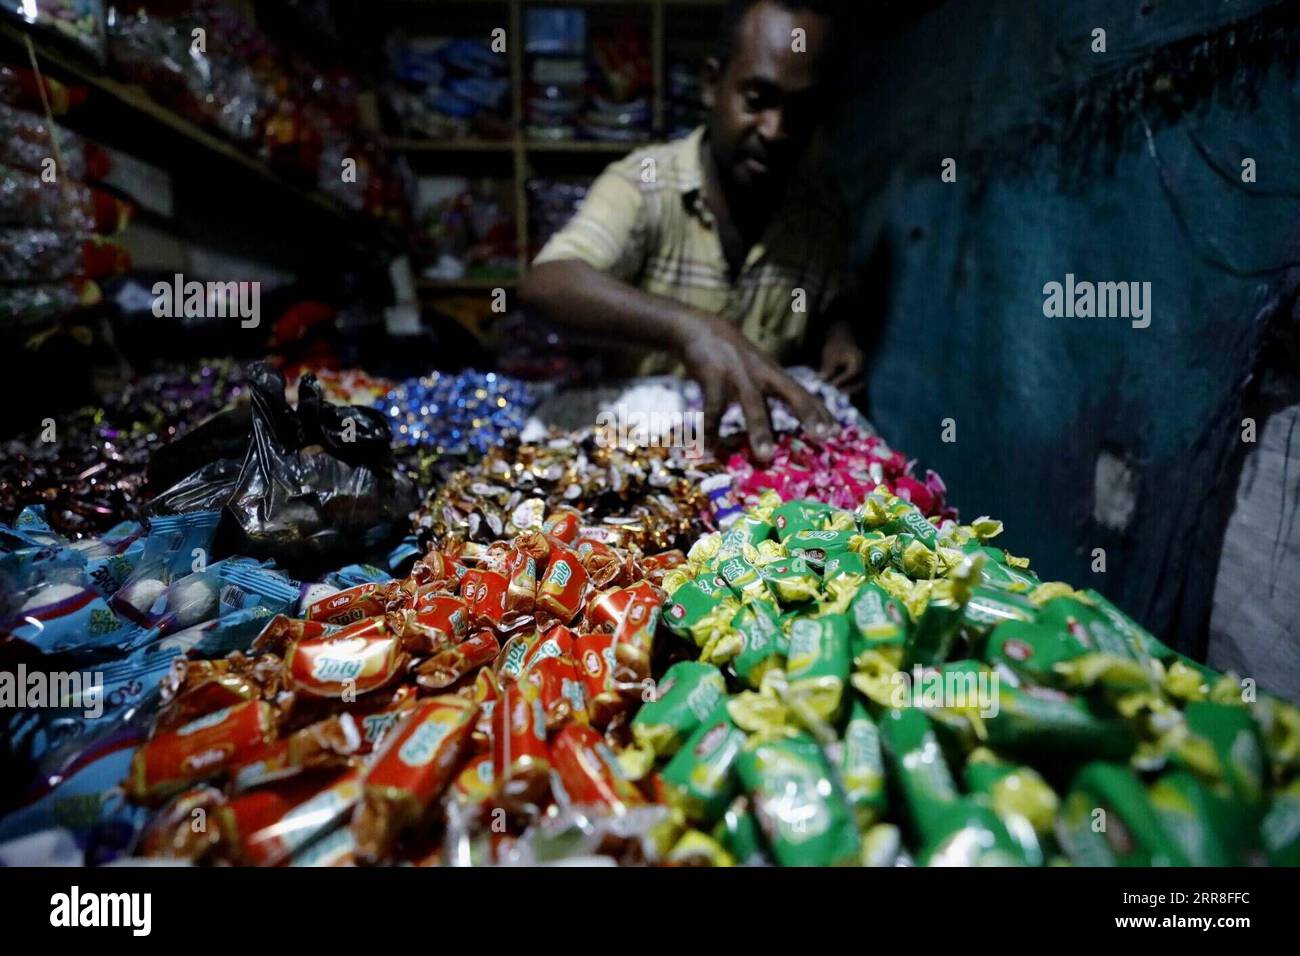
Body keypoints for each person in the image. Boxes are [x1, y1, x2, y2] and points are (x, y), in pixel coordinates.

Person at [519, 0, 862, 461]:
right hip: (642, 453)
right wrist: (690, 328)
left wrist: (839, 337)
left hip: (760, 467)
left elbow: (830, 300)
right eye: (757, 101)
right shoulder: (643, 186)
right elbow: (547, 284)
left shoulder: (820, 212)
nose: (777, 130)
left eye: (800, 110)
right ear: (711, 84)